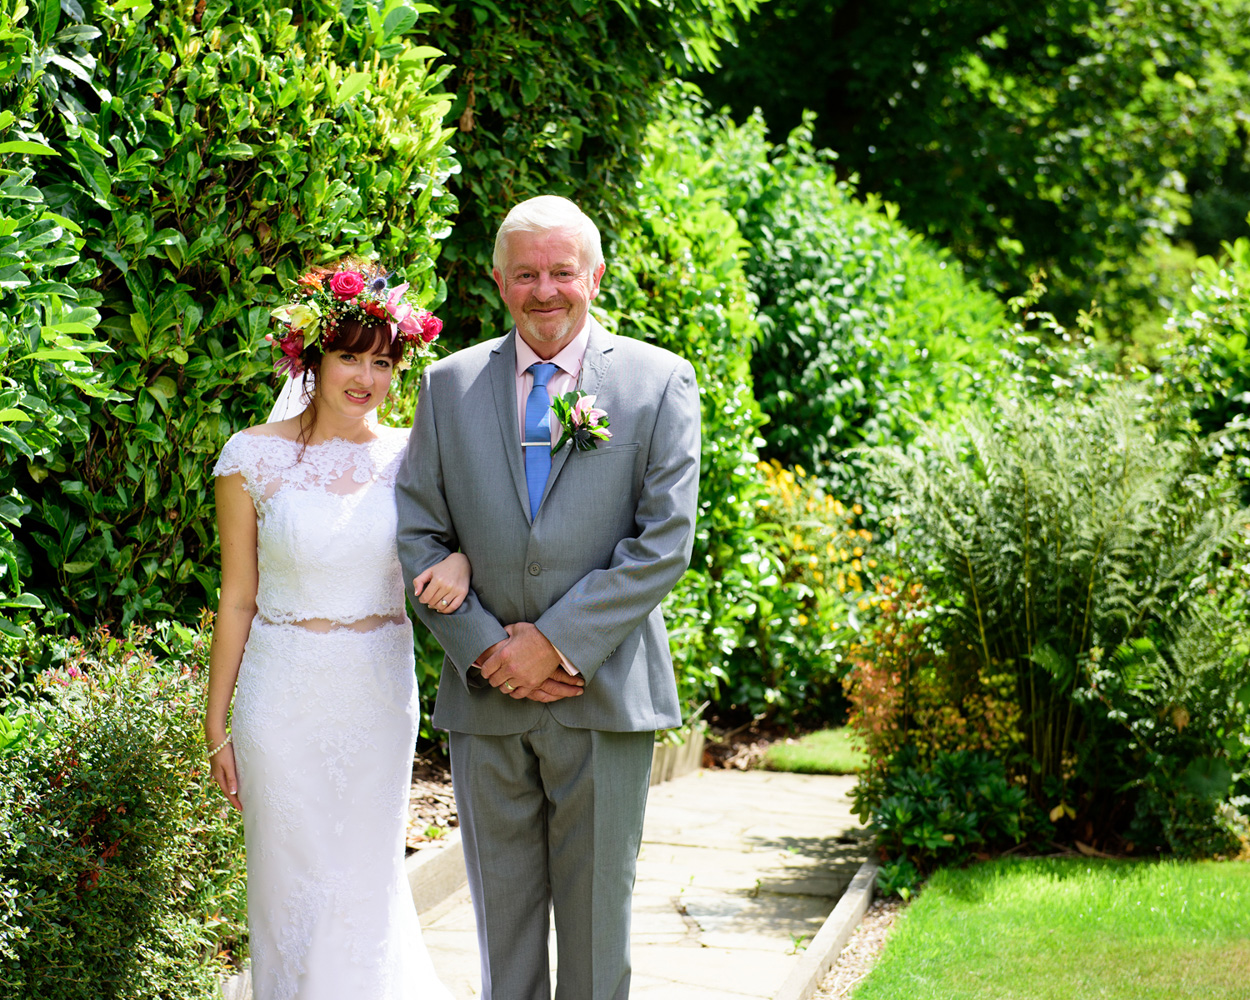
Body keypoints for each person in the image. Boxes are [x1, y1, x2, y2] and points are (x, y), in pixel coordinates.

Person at [396, 195, 701, 1000]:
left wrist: (553, 642)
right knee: (505, 931)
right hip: (485, 699)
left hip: (602, 697)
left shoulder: (658, 382)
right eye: (525, 273)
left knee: (599, 936)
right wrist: (489, 649)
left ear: (593, 276)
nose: (544, 291)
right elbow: (419, 537)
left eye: (561, 271)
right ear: (498, 281)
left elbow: (663, 543)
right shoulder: (447, 385)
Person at [204, 260, 456, 1000]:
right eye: (350, 355)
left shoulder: (416, 456)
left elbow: (457, 547)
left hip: (378, 691)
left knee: (364, 877)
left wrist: (463, 567)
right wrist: (216, 718)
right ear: (310, 357)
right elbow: (238, 598)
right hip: (280, 698)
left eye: (383, 360)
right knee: (290, 882)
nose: (367, 377)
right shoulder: (251, 456)